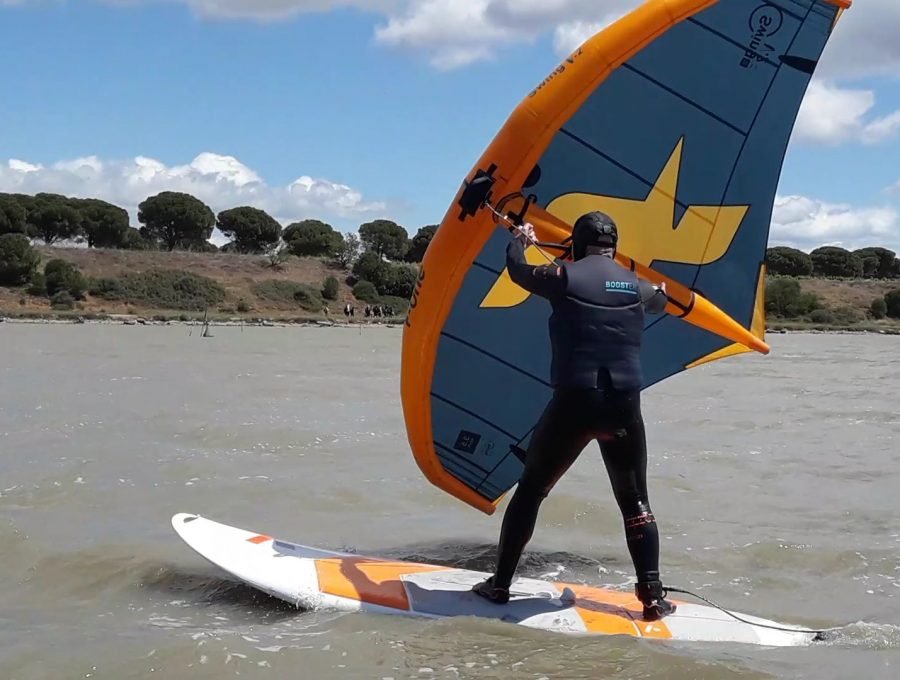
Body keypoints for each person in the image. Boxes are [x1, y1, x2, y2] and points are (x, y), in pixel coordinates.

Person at [471, 211, 676, 621]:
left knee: (531, 491)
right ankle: (652, 598)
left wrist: (521, 239)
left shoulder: (563, 276)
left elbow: (518, 271)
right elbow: (663, 299)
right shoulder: (638, 287)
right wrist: (657, 288)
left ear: (576, 245)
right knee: (636, 501)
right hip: (623, 408)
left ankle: (499, 586)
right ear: (614, 246)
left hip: (574, 405)